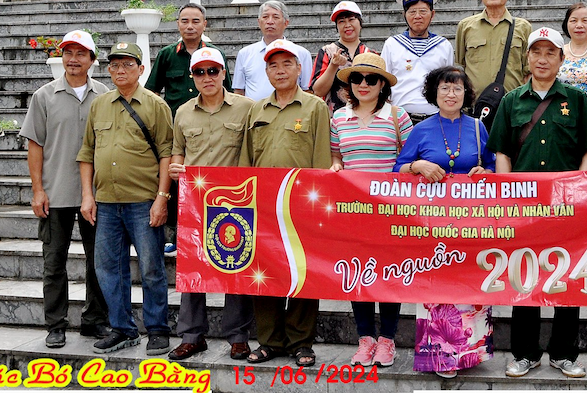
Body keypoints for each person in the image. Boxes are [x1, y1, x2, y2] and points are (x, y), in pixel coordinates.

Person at [486, 26, 587, 380]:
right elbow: (502, 150)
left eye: (551, 53)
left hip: (567, 204)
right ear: (528, 59)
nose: (543, 59)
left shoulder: (577, 100)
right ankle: (525, 353)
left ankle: (564, 353)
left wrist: (580, 187)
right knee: (525, 280)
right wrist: (507, 192)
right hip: (523, 206)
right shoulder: (511, 100)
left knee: (565, 278)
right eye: (537, 52)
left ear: (561, 59)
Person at [394, 65, 493, 379]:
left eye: (457, 88)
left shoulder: (478, 127)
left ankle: (471, 353)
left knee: (469, 281)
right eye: (445, 88)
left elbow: (493, 168)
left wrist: (485, 174)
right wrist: (419, 164)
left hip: (471, 221)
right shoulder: (421, 129)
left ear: (466, 94)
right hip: (431, 223)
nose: (451, 94)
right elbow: (398, 169)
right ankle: (439, 356)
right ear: (434, 94)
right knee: (436, 285)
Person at [77, 41, 174, 356]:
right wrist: (87, 196)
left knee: (151, 268)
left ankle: (157, 329)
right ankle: (122, 328)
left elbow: (165, 154)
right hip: (105, 202)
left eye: (127, 65)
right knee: (108, 268)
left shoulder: (155, 105)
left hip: (143, 201)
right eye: (115, 65)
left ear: (141, 69)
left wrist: (162, 198)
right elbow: (87, 153)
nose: (120, 70)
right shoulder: (100, 104)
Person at [241, 39, 330, 367]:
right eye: (273, 65)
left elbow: (321, 160)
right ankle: (269, 340)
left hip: (302, 204)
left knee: (304, 273)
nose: (280, 71)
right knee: (263, 273)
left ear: (299, 69)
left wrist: (318, 204)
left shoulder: (314, 107)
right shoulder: (256, 109)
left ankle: (301, 341)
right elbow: (246, 160)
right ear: (266, 71)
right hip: (262, 205)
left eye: (287, 64)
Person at [21, 29, 110, 349]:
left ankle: (94, 319)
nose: (73, 60)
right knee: (54, 261)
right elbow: (35, 145)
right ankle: (55, 324)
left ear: (92, 60)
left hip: (95, 194)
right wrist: (37, 190)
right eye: (68, 53)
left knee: (98, 261)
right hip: (55, 192)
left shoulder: (105, 95)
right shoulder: (44, 96)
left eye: (80, 54)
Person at [166, 47, 256, 361]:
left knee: (237, 267)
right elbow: (178, 151)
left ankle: (238, 337)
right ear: (192, 77)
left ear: (223, 73)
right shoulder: (183, 112)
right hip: (194, 203)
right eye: (200, 72)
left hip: (236, 203)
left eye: (213, 71)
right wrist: (176, 170)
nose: (207, 78)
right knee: (192, 271)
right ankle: (192, 336)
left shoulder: (246, 108)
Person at [328, 53, 413, 368]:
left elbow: (407, 159)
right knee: (357, 275)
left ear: (382, 85)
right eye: (357, 78)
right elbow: (337, 155)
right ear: (349, 83)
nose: (363, 84)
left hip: (390, 210)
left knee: (391, 274)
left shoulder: (397, 116)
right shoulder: (338, 117)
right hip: (352, 210)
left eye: (371, 79)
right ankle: (365, 339)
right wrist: (336, 167)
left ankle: (387, 341)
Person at [146, 2, 231, 254]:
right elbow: (152, 91)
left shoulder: (215, 54)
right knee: (174, 182)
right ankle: (176, 233)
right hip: (177, 129)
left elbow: (228, 88)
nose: (190, 26)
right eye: (185, 21)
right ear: (178, 24)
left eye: (196, 21)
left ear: (205, 24)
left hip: (211, 127)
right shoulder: (167, 54)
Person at [380, 0, 454, 123]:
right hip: (400, 119)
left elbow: (449, 84)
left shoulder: (443, 45)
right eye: (412, 12)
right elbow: (384, 84)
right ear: (404, 15)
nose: (417, 16)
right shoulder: (392, 44)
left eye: (423, 11)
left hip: (435, 118)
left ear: (432, 14)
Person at [454, 0, 531, 98]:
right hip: (475, 106)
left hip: (512, 106)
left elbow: (528, 71)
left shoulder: (523, 27)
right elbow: (459, 66)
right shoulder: (466, 26)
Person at [233, 1, 313, 99]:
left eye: (276, 17)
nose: (270, 21)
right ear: (259, 22)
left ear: (286, 22)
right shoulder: (244, 54)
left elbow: (307, 90)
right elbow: (239, 91)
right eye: (265, 17)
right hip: (255, 112)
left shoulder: (302, 53)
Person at [311, 0, 375, 110]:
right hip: (334, 118)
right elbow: (318, 91)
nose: (347, 25)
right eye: (341, 21)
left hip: (366, 115)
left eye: (351, 19)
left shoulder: (370, 54)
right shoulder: (327, 51)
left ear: (360, 23)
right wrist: (333, 66)